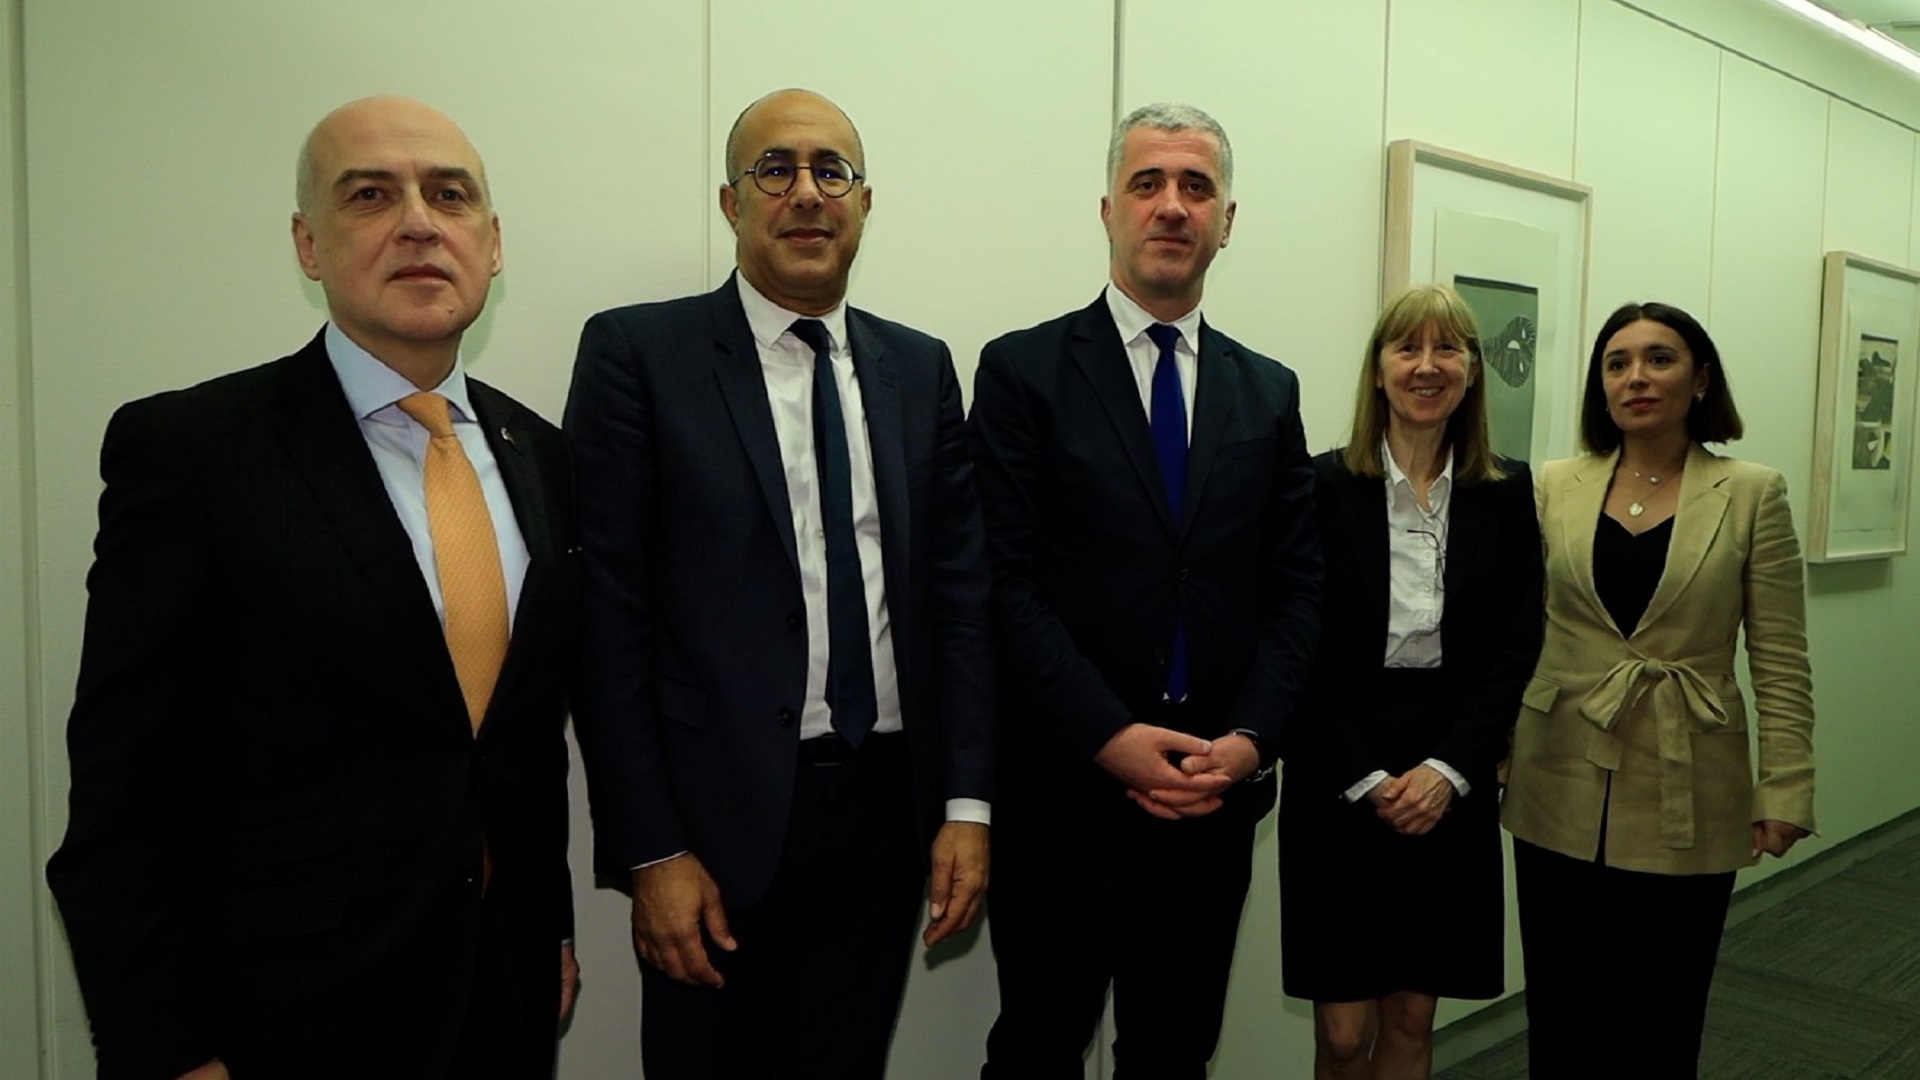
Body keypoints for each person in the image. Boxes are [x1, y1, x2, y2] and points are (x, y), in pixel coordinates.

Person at [45, 96, 580, 1079]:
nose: (418, 222)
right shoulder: (194, 451)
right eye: (370, 195)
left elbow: (517, 743)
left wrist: (546, 925)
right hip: (282, 1018)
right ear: (307, 244)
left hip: (499, 998)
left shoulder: (542, 455)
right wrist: (166, 1048)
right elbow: (125, 787)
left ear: (493, 242)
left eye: (449, 195)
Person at [564, 88, 994, 1080]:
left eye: (831, 171)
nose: (806, 192)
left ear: (865, 202)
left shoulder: (919, 368)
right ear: (731, 201)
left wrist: (967, 808)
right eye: (776, 169)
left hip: (886, 809)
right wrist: (651, 850)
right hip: (712, 828)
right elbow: (607, 622)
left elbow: (960, 602)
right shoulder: (641, 355)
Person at [970, 102, 1321, 1079]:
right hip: (1066, 795)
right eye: (1148, 183)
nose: (1172, 206)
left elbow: (1298, 591)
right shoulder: (1023, 372)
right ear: (1108, 210)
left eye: (1196, 187)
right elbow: (1002, 586)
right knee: (1037, 1052)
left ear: (1226, 221)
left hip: (1214, 798)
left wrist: (1250, 741)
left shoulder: (1269, 390)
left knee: (1174, 1058)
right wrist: (1110, 737)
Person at [1502, 301, 1816, 1076]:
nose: (1636, 377)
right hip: (1558, 772)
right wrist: (1496, 750)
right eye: (1617, 363)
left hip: (1689, 781)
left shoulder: (1752, 492)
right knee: (1563, 1012)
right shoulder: (1552, 485)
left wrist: (1786, 786)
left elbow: (1780, 656)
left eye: (1659, 359)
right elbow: (1513, 633)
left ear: (1700, 379)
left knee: (1663, 1015)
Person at [1277, 285, 1543, 1079]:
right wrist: (1363, 776)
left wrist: (1450, 770)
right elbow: (1294, 642)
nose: (1427, 366)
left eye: (1448, 348)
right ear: (1378, 370)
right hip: (1338, 772)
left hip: (1450, 771)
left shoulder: (1507, 490)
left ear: (1472, 371)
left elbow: (1515, 644)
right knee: (1341, 1032)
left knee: (1413, 1015)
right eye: (1408, 348)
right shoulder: (1319, 486)